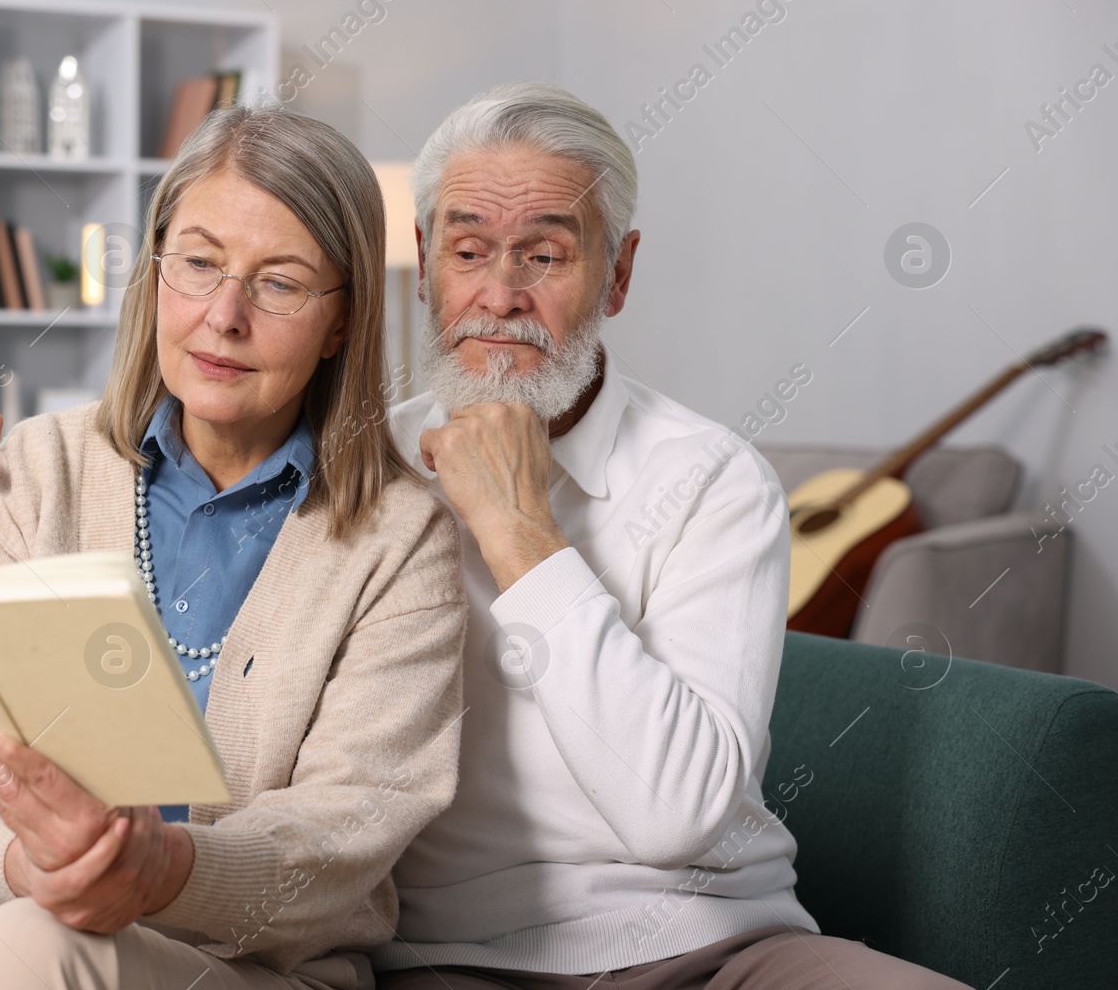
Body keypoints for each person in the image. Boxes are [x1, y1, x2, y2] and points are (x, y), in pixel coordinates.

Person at [369, 83, 968, 989]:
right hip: (452, 957)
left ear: (618, 272)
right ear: (424, 260)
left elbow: (675, 815)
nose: (502, 293)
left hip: (722, 943)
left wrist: (514, 523)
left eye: (545, 255)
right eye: (468, 250)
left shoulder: (712, 478)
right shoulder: (361, 471)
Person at [0, 106, 466, 990]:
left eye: (281, 282)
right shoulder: (35, 471)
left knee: (43, 949)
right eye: (200, 263)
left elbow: (350, 828)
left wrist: (158, 871)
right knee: (32, 940)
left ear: (342, 322)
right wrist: (36, 870)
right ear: (153, 270)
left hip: (246, 973)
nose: (224, 316)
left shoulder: (400, 539)